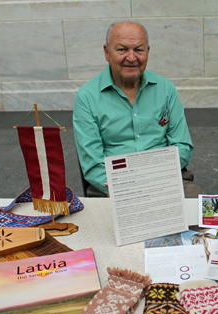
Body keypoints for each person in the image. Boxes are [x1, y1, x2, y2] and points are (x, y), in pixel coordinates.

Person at [73, 21, 203, 197]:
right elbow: (93, 164)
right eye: (122, 49)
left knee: (205, 218)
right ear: (106, 52)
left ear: (148, 52)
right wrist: (129, 189)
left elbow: (182, 147)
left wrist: (151, 182)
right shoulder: (86, 97)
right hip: (114, 188)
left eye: (139, 50)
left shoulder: (166, 89)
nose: (132, 58)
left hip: (167, 180)